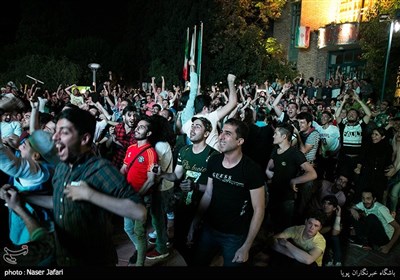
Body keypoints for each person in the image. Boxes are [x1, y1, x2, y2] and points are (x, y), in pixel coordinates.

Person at [22, 108, 146, 266]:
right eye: (55, 132)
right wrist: (24, 197)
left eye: (64, 132)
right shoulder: (62, 167)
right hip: (65, 259)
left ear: (84, 139)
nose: (54, 137)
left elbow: (139, 211)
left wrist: (90, 195)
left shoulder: (100, 169)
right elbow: (60, 201)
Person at [188, 118, 265, 266]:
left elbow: (259, 209)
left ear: (240, 141)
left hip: (234, 235)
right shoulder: (214, 161)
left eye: (228, 133)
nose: (221, 136)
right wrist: (194, 223)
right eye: (221, 131)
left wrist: (247, 246)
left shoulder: (251, 169)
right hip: (209, 229)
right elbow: (209, 194)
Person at [158, 116, 218, 264]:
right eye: (192, 126)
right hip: (184, 205)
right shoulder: (184, 151)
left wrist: (195, 186)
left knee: (198, 247)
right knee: (180, 243)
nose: (192, 129)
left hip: (203, 209)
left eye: (197, 126)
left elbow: (216, 188)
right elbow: (177, 175)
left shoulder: (213, 156)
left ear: (206, 133)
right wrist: (161, 174)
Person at [120, 116, 160, 266]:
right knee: (127, 228)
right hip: (127, 196)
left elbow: (150, 180)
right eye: (137, 126)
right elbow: (124, 168)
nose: (137, 128)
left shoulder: (150, 152)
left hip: (140, 198)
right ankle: (139, 248)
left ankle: (139, 263)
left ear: (148, 133)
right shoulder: (131, 148)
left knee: (139, 231)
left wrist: (136, 196)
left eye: (142, 127)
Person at [266, 123, 317, 232]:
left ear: (284, 137)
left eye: (276, 134)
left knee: (283, 229)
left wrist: (294, 180)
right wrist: (270, 174)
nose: (273, 136)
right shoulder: (276, 149)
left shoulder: (295, 153)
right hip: (273, 194)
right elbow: (269, 168)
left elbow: (312, 173)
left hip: (286, 198)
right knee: (271, 225)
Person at [0, 188, 55, 266]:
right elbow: (46, 246)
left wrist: (23, 197)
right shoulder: (9, 259)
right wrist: (18, 208)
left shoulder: (16, 239)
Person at [349, 189, 400, 254]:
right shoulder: (363, 203)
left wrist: (388, 246)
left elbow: (398, 228)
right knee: (353, 213)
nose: (365, 201)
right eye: (363, 198)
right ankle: (363, 241)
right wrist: (352, 210)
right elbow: (352, 208)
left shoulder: (381, 209)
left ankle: (362, 240)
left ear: (374, 199)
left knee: (371, 217)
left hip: (384, 238)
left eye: (368, 198)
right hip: (373, 233)